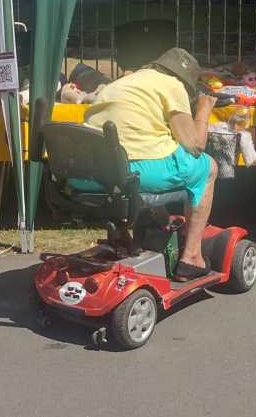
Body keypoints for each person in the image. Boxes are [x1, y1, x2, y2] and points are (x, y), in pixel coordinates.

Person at [82, 48, 219, 281]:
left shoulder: (120, 83)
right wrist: (203, 111)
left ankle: (127, 235)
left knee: (153, 149)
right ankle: (192, 256)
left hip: (94, 171)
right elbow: (194, 145)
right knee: (208, 168)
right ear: (185, 80)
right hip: (134, 172)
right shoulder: (172, 84)